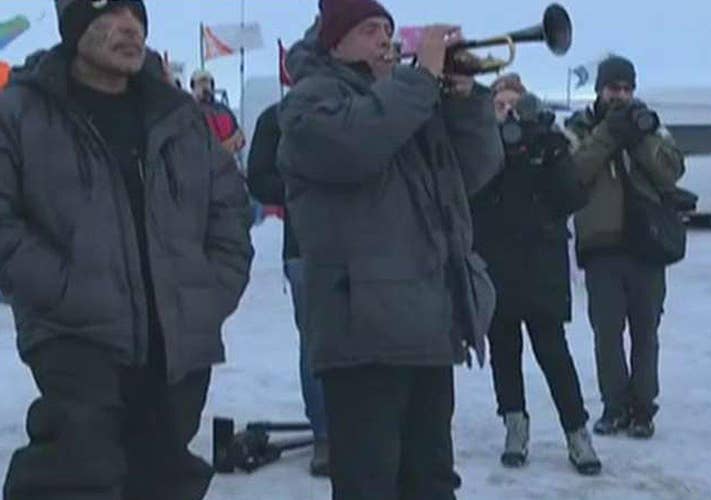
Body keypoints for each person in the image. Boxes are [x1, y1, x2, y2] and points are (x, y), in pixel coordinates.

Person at [0, 1, 254, 499]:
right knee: (75, 475)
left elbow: (229, 211)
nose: (129, 29)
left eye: (136, 18)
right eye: (109, 18)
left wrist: (206, 295)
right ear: (74, 29)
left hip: (177, 345)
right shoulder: (23, 111)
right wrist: (64, 289)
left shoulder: (179, 116)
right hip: (77, 337)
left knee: (163, 481)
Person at [276, 0, 503, 497]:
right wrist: (421, 80)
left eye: (388, 28)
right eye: (367, 29)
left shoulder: (408, 101)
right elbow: (355, 143)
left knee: (431, 480)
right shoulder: (310, 101)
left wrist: (465, 102)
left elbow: (473, 174)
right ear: (334, 44)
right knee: (369, 483)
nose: (385, 39)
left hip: (427, 325)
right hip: (362, 334)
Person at [471, 74, 600, 475]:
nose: (508, 114)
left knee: (554, 354)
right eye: (500, 106)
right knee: (504, 355)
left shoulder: (548, 145)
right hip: (495, 264)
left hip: (541, 267)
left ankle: (577, 433)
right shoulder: (479, 147)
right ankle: (515, 426)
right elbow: (470, 196)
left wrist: (552, 148)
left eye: (515, 106)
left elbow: (573, 198)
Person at [565, 55, 684, 439]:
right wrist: (609, 134)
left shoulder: (651, 124)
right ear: (599, 89)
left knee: (646, 334)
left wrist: (640, 137)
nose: (620, 95)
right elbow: (575, 173)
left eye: (627, 88)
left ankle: (644, 409)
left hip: (648, 246)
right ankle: (614, 407)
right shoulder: (578, 127)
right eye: (613, 88)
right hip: (602, 248)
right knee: (608, 334)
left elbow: (672, 170)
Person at [247, 102, 329, 477]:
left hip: (374, 246)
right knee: (317, 342)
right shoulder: (278, 116)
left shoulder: (368, 105)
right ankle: (326, 434)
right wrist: (307, 184)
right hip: (307, 247)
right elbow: (259, 179)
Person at [191, 68, 245, 156]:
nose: (204, 87)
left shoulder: (224, 110)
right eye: (200, 83)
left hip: (227, 164)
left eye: (207, 83)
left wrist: (230, 144)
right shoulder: (189, 111)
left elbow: (240, 137)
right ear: (193, 88)